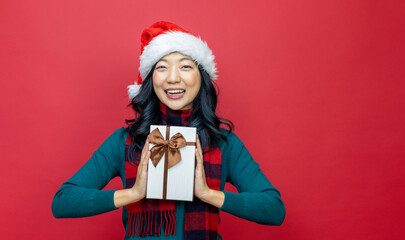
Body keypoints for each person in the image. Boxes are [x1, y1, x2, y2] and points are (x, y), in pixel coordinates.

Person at [52, 21, 285, 239]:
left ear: (201, 77)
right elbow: (63, 202)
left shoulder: (223, 143)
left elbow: (274, 209)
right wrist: (133, 194)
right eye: (162, 67)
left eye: (185, 66)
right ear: (151, 79)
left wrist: (208, 194)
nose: (173, 78)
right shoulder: (125, 141)